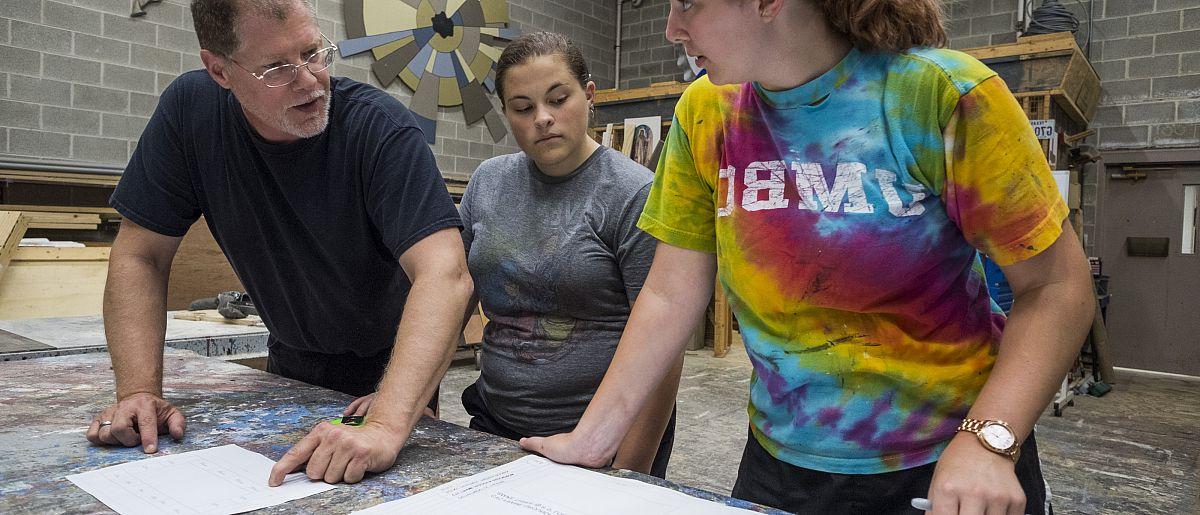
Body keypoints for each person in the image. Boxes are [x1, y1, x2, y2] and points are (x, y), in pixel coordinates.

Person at [521, 1, 1095, 514]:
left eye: (688, 4)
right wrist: (593, 438)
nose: (672, 28)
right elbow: (671, 294)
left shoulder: (940, 95)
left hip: (948, 464)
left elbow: (1057, 289)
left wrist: (989, 440)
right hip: (782, 462)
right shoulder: (707, 111)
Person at [84, 0, 473, 487]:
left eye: (313, 52)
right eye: (277, 69)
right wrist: (138, 390)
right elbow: (141, 254)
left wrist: (389, 420)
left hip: (392, 374)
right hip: (289, 362)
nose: (310, 81)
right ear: (219, 71)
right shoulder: (191, 114)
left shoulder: (380, 131)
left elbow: (445, 274)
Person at [344, 31, 683, 478]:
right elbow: (446, 299)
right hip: (495, 425)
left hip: (597, 440)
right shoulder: (488, 183)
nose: (543, 118)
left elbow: (663, 352)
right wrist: (402, 403)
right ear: (507, 114)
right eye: (523, 108)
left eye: (558, 99)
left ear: (589, 95)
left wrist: (632, 473)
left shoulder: (635, 194)